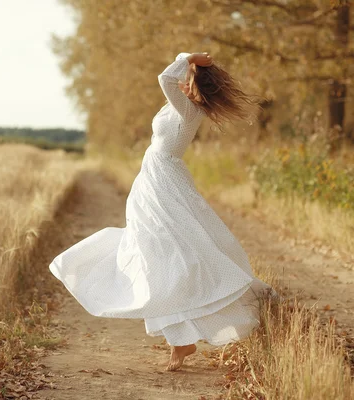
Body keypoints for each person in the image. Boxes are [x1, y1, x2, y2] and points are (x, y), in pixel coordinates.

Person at [49, 52, 272, 371]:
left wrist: (187, 56)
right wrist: (192, 63)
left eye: (189, 75)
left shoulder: (188, 108)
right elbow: (170, 84)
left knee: (162, 251)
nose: (182, 77)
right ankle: (180, 340)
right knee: (153, 249)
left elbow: (164, 78)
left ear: (194, 84)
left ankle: (182, 341)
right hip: (153, 178)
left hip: (164, 179)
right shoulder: (178, 105)